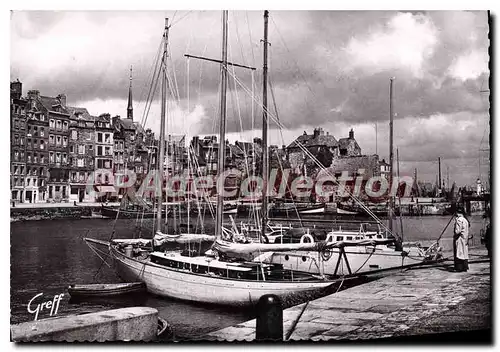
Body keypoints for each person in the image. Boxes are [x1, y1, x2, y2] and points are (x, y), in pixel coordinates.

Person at [453, 206, 470, 272]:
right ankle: (465, 267)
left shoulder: (459, 220)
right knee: (464, 253)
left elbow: (457, 231)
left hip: (460, 239)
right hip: (465, 238)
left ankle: (459, 268)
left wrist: (455, 225)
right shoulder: (465, 220)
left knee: (459, 253)